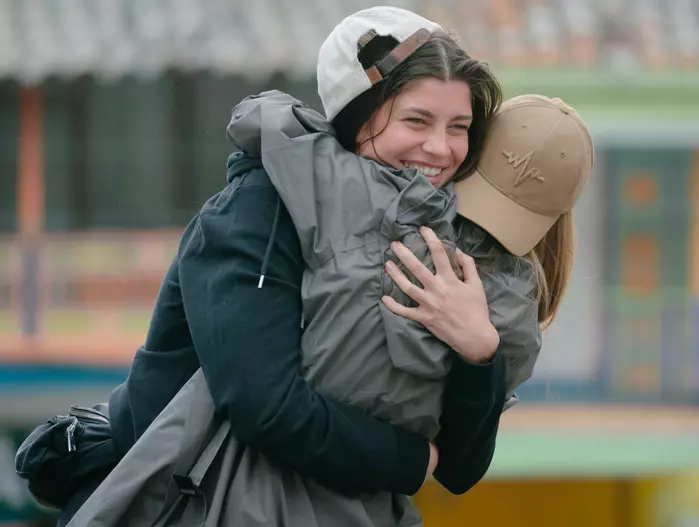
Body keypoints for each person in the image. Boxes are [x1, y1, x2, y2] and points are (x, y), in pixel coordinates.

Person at [65, 18, 593, 527]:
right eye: (416, 120)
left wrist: (480, 351)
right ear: (359, 113)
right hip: (200, 498)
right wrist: (411, 461)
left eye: (459, 128)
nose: (439, 148)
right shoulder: (259, 206)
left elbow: (461, 467)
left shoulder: (432, 245)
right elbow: (263, 403)